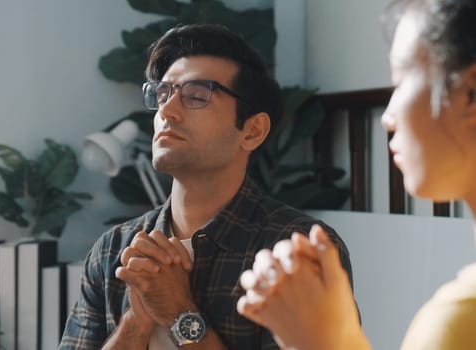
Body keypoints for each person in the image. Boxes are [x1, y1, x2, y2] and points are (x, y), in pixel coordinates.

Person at [59, 23, 354, 350]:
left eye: (196, 96)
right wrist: (135, 322)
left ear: (252, 131)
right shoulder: (113, 250)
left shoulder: (294, 252)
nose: (167, 111)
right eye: (163, 94)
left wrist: (178, 312)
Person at [237, 0, 476, 349]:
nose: (387, 117)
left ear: (470, 93)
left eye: (401, 80)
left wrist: (322, 340)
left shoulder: (458, 324)